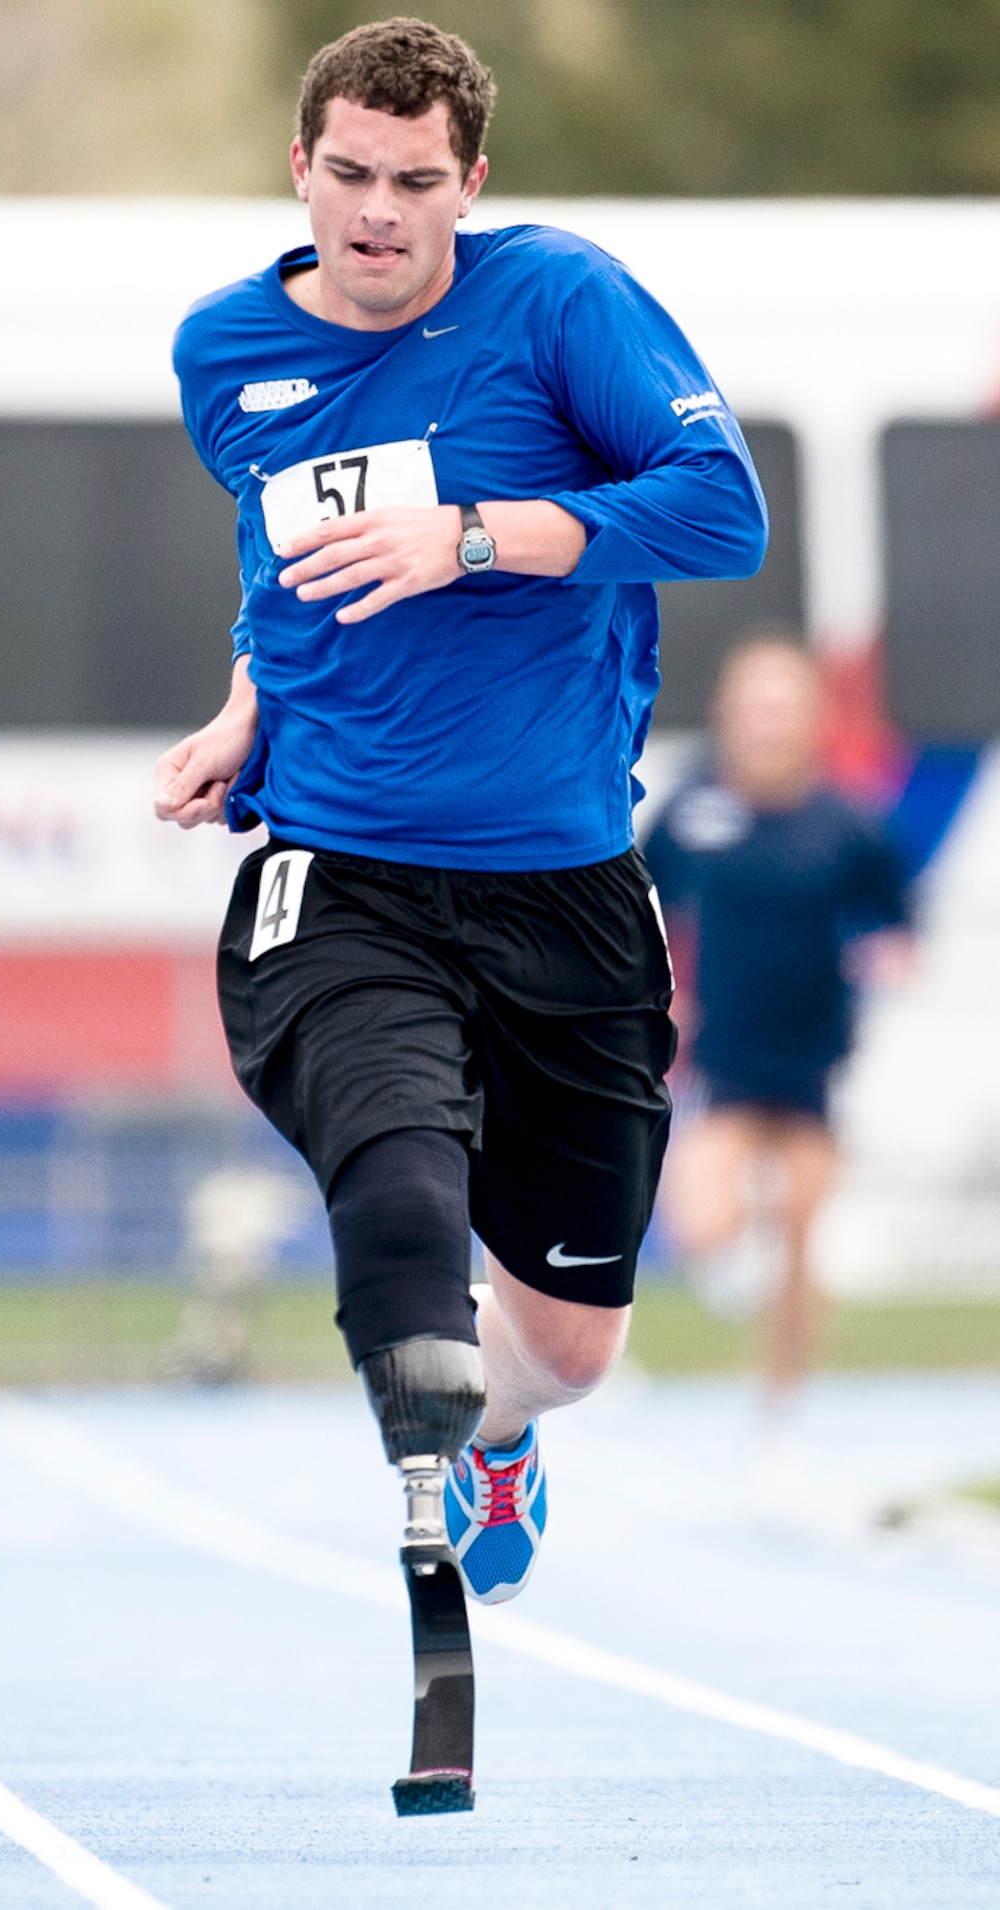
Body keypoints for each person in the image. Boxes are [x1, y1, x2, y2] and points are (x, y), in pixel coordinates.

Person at [154, 16, 766, 1604]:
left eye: (415, 182)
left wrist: (477, 536)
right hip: (341, 864)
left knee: (569, 1346)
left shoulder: (559, 298)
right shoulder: (223, 352)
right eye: (348, 174)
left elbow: (722, 512)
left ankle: (496, 1423)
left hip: (563, 882)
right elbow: (282, 563)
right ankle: (416, 1398)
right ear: (301, 167)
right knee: (403, 1153)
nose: (376, 211)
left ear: (468, 183)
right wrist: (243, 708)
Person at [650, 637, 911, 1425]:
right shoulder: (693, 811)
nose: (768, 725)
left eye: (785, 709)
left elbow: (895, 921)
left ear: (812, 721)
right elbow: (635, 908)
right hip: (723, 1057)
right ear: (729, 715)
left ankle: (780, 1412)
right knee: (704, 1228)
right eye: (755, 707)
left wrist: (890, 959)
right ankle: (735, 1244)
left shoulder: (847, 826)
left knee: (801, 1234)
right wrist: (656, 991)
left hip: (811, 1060)